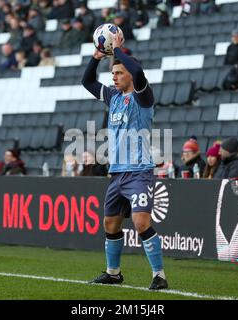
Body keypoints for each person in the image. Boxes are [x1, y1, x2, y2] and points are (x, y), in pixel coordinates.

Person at [82, 33, 168, 290]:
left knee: (141, 222)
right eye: (113, 74)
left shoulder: (144, 97)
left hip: (139, 172)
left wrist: (118, 51)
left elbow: (139, 71)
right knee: (110, 223)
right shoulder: (113, 97)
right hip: (117, 173)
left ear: (129, 74)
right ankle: (114, 272)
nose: (115, 77)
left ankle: (159, 275)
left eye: (119, 73)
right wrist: (96, 57)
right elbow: (86, 81)